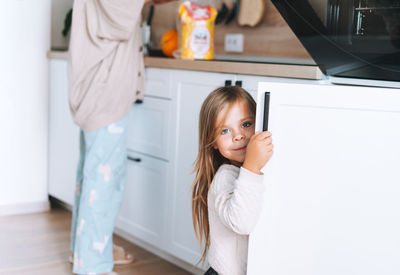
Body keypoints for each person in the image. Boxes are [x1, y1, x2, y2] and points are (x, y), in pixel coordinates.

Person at [67, 0, 174, 274]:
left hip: (96, 88)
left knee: (92, 177)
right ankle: (93, 266)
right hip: (105, 89)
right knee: (103, 180)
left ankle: (85, 251)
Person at [192, 86, 274, 275]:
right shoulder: (224, 178)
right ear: (212, 141)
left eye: (246, 124)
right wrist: (251, 167)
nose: (238, 135)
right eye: (225, 131)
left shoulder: (258, 173)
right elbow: (242, 223)